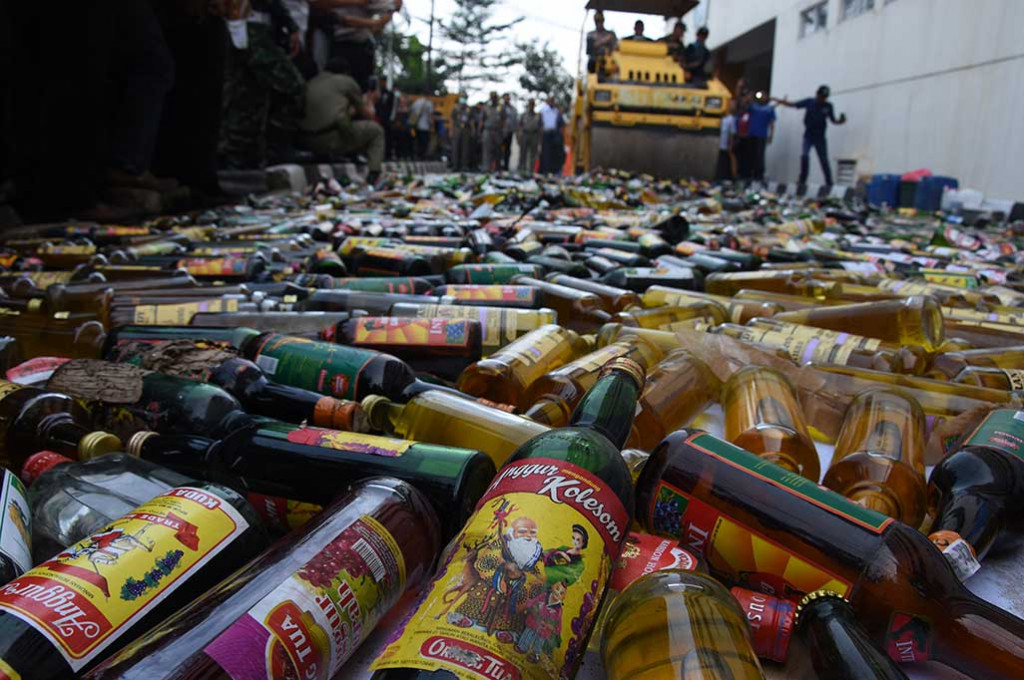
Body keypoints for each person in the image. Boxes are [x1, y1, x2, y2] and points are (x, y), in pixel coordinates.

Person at [220, 0, 306, 169]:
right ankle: (275, 148)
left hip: (247, 24)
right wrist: (288, 23)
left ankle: (242, 155)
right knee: (290, 86)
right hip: (247, 24)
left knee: (250, 93)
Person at [295, 60, 385, 184]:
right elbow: (368, 115)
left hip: (305, 140)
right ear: (346, 73)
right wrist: (370, 100)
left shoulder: (312, 81)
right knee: (376, 131)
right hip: (330, 139)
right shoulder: (346, 81)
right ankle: (373, 174)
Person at [775, 85, 847, 187]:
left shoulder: (828, 106)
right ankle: (802, 180)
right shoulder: (810, 102)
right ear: (817, 94)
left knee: (823, 159)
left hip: (820, 137)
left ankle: (829, 183)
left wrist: (840, 121)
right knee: (805, 156)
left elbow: (833, 120)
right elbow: (794, 104)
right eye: (821, 96)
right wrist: (780, 101)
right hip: (808, 135)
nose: (822, 99)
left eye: (824, 97)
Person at [319, 0, 398, 92]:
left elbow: (392, 7)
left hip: (359, 46)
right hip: (334, 43)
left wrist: (375, 24)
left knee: (358, 89)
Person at [746, 92, 776, 180]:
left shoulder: (769, 109)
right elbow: (746, 108)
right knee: (751, 154)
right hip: (752, 134)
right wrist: (748, 99)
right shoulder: (754, 106)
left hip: (762, 135)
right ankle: (750, 173)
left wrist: (771, 135)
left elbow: (771, 123)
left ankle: (759, 175)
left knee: (760, 155)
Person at [539, 97, 564, 175]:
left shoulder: (556, 111)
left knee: (553, 153)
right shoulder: (543, 110)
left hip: (554, 134)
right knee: (545, 152)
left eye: (553, 101)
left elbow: (560, 123)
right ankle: (544, 170)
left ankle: (552, 170)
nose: (551, 103)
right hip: (546, 132)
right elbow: (541, 122)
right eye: (550, 101)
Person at [715, 100, 738, 181]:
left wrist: (730, 145)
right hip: (717, 144)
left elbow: (732, 133)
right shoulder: (720, 118)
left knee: (724, 162)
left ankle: (725, 177)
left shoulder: (731, 119)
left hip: (724, 145)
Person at [517, 98, 540, 174]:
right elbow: (519, 126)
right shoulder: (523, 115)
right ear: (528, 105)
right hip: (525, 134)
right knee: (523, 153)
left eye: (533, 104)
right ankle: (521, 169)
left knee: (533, 154)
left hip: (534, 135)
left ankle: (531, 171)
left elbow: (540, 127)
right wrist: (519, 136)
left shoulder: (538, 115)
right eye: (530, 104)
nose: (531, 106)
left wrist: (540, 139)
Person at [482, 92, 503, 171]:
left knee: (497, 151)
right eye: (492, 97)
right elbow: (482, 119)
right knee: (487, 150)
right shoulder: (486, 107)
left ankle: (497, 168)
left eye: (495, 97)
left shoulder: (501, 108)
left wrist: (503, 132)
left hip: (497, 131)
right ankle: (486, 168)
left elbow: (503, 120)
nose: (493, 99)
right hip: (487, 131)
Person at [408, 95, 434, 160]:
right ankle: (422, 156)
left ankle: (417, 155)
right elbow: (430, 116)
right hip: (425, 126)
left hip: (416, 125)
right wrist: (432, 126)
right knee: (424, 142)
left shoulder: (416, 102)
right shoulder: (429, 103)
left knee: (418, 141)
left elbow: (411, 112)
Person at [450, 96, 471, 171]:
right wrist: (451, 130)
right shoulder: (455, 108)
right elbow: (452, 120)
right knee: (455, 148)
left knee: (465, 149)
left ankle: (464, 166)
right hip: (457, 129)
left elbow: (471, 120)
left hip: (466, 130)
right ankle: (455, 166)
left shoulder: (469, 109)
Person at [500, 94, 518, 171]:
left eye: (508, 98)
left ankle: (506, 167)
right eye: (505, 98)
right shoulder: (500, 107)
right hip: (500, 132)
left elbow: (515, 120)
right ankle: (498, 166)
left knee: (508, 150)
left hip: (509, 132)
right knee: (500, 150)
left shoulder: (513, 109)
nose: (507, 99)